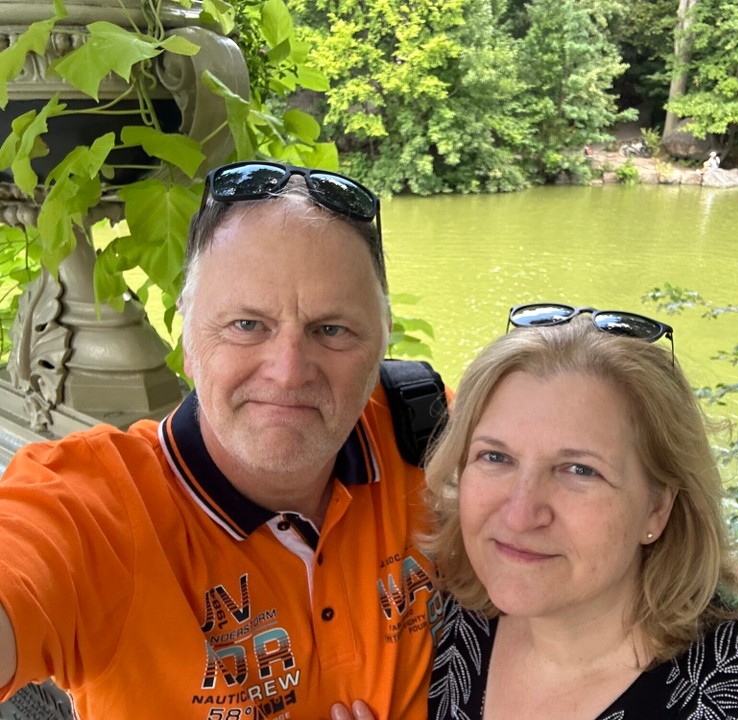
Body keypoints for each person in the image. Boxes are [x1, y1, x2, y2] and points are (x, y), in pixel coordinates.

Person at [0, 161, 443, 719]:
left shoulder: (432, 433)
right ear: (186, 337)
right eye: (246, 325)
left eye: (331, 330)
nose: (287, 372)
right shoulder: (102, 505)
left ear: (381, 341)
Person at [420, 303, 738, 720]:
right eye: (495, 457)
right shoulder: (445, 624)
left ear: (657, 507)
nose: (520, 514)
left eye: (580, 470)